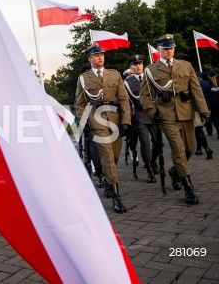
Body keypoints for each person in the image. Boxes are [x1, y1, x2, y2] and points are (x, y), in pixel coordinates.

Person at [140, 34, 209, 205]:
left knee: (190, 148)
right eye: (165, 48)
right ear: (159, 50)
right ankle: (188, 187)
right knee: (178, 149)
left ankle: (175, 172)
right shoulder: (150, 70)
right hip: (166, 115)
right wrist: (152, 110)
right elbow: (145, 95)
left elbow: (195, 90)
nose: (169, 51)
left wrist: (203, 110)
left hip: (186, 113)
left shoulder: (185, 65)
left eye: (171, 48)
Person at [75, 44, 131, 213]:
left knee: (113, 156)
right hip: (96, 119)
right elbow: (80, 104)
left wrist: (126, 121)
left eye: (102, 55)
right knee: (106, 154)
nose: (100, 57)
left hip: (115, 118)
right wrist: (83, 123)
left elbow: (123, 100)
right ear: (89, 59)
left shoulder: (114, 75)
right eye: (96, 55)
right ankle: (116, 196)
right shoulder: (83, 79)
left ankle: (108, 179)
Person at [123, 54, 158, 182]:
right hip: (139, 116)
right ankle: (149, 169)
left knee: (158, 143)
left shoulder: (150, 78)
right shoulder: (127, 83)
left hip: (153, 114)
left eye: (140, 64)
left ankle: (153, 161)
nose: (138, 66)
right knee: (145, 143)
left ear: (143, 65)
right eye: (135, 64)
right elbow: (126, 102)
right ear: (131, 67)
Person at [194, 71, 213, 159]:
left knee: (198, 130)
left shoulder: (190, 85)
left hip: (196, 109)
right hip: (206, 107)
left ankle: (206, 148)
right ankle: (199, 148)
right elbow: (210, 96)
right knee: (199, 130)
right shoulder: (205, 83)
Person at [206, 70, 219, 138]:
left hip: (213, 105)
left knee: (215, 119)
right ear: (216, 75)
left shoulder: (207, 84)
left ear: (208, 76)